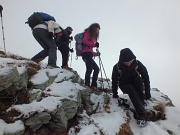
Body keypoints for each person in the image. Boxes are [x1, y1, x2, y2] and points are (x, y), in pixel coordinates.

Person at [111, 48, 151, 127]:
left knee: (139, 80)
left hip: (135, 82)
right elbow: (114, 81)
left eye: (130, 62)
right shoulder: (117, 67)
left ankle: (141, 102)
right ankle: (142, 115)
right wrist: (115, 93)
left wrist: (147, 93)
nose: (128, 64)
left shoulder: (137, 64)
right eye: (126, 63)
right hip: (124, 84)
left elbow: (146, 78)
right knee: (130, 88)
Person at [82, 23, 100, 92]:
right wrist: (94, 45)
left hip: (88, 54)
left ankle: (93, 85)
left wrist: (96, 54)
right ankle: (87, 84)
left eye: (98, 30)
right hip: (86, 54)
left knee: (96, 69)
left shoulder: (92, 36)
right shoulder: (88, 32)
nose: (97, 31)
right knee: (89, 68)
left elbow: (90, 50)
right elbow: (85, 41)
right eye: (96, 30)